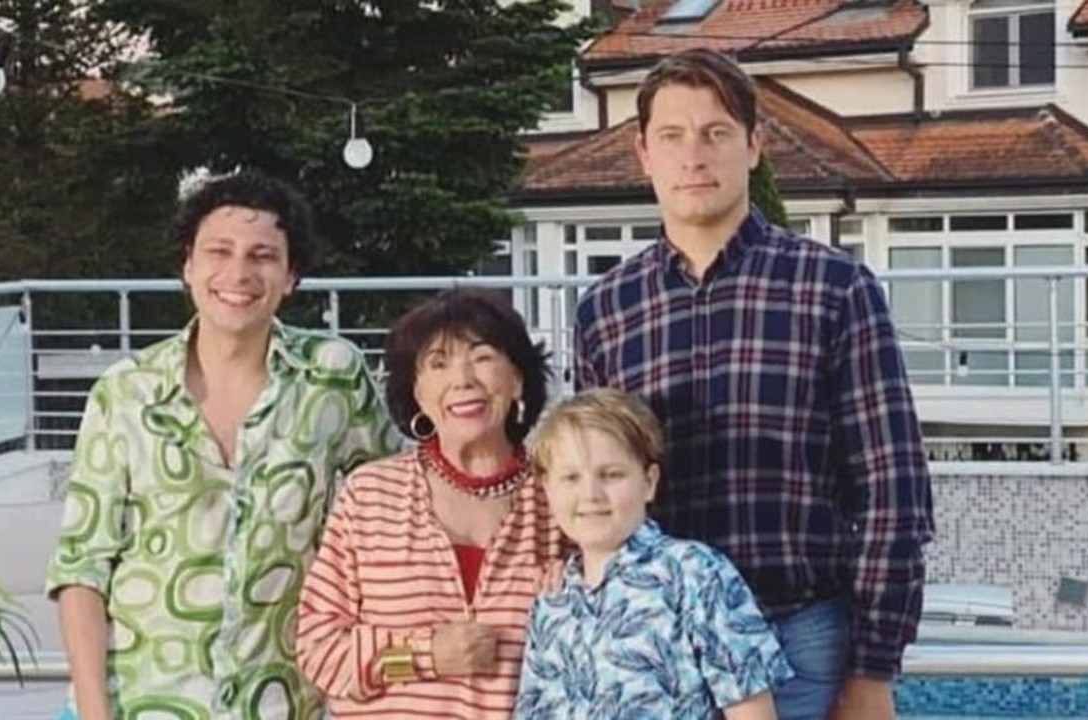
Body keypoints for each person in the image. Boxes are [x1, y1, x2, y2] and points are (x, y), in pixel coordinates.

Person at [572, 48, 935, 720]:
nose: (694, 157)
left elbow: (893, 491)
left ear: (754, 145)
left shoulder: (834, 289)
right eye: (672, 137)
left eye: (716, 133)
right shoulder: (607, 309)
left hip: (797, 638)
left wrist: (873, 671)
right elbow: (587, 484)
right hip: (656, 650)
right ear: (644, 154)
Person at [44, 169, 397, 720]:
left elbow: (394, 517)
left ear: (291, 275)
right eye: (219, 251)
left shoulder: (333, 377)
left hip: (283, 702)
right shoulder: (126, 391)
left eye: (263, 256)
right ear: (188, 265)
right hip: (144, 703)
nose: (239, 273)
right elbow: (82, 568)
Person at [296, 289, 556, 719]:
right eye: (438, 363)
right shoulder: (370, 495)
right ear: (417, 392)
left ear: (517, 379)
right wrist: (426, 655)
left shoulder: (564, 498)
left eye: (482, 357)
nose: (462, 380)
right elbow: (318, 646)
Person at [514, 388, 792, 719]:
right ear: (547, 488)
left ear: (649, 482)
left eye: (611, 475)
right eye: (571, 477)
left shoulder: (696, 573)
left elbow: (752, 710)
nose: (591, 494)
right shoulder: (552, 600)